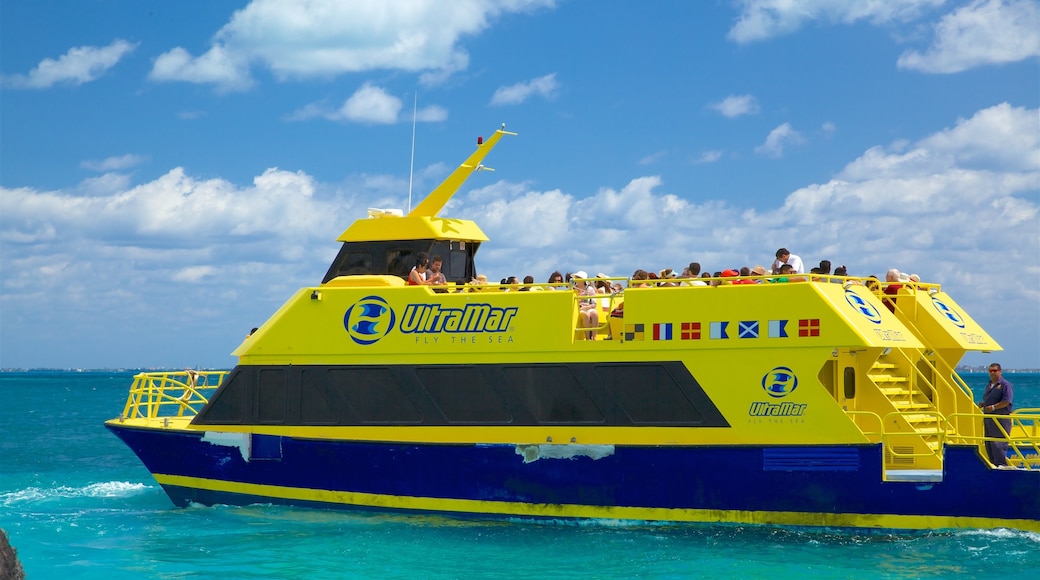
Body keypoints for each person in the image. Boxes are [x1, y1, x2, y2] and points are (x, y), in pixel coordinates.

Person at [978, 363, 1014, 467]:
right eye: (991, 371)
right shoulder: (989, 385)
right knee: (989, 444)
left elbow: (1007, 401)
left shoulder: (1005, 385)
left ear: (1000, 371)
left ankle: (1001, 466)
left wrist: (993, 407)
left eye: (995, 371)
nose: (993, 373)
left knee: (998, 444)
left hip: (1000, 419)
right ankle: (993, 465)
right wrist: (984, 404)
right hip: (989, 419)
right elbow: (990, 399)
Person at [572, 271, 599, 339]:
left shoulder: (590, 289)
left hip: (588, 307)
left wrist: (587, 307)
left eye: (578, 278)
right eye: (576, 277)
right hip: (578, 309)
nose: (577, 279)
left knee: (594, 313)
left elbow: (594, 303)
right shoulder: (573, 289)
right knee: (586, 315)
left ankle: (594, 337)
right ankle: (587, 338)